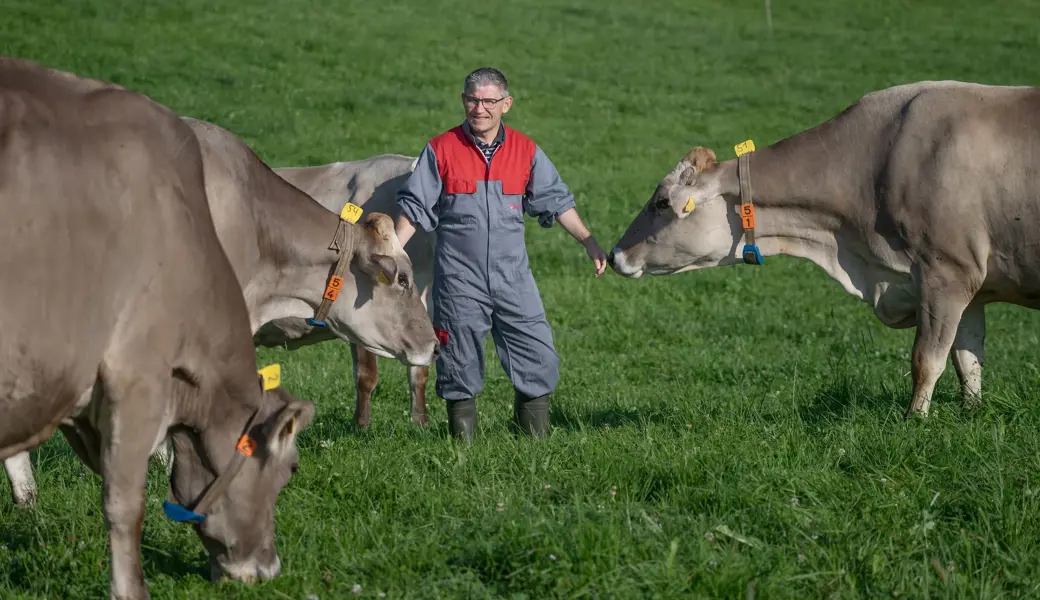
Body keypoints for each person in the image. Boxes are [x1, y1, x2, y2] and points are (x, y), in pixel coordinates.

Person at [394, 67, 607, 442]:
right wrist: (392, 253)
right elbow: (415, 207)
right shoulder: (441, 149)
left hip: (513, 278)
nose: (480, 109)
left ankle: (532, 444)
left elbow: (556, 201)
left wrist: (588, 241)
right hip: (459, 278)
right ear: (463, 101)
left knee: (537, 352)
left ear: (506, 104)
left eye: (490, 101)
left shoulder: (525, 151)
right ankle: (463, 450)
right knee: (458, 361)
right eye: (473, 100)